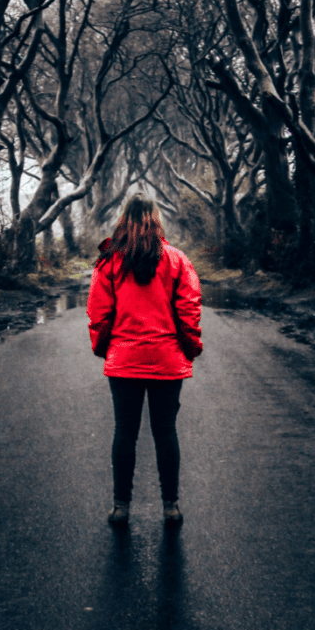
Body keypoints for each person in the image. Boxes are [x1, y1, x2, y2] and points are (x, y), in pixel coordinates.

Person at [87, 195, 202, 528]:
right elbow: (190, 310)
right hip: (167, 360)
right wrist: (189, 347)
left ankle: (121, 507)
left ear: (123, 220)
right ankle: (171, 507)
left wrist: (104, 348)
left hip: (124, 360)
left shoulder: (109, 263)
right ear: (156, 219)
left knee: (125, 431)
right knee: (165, 431)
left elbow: (98, 312)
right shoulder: (178, 260)